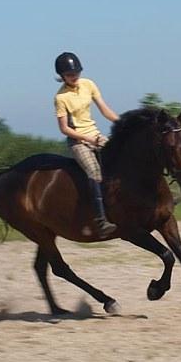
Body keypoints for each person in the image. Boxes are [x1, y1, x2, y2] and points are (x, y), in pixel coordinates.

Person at [54, 52, 119, 237]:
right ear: (62, 76)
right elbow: (64, 129)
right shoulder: (60, 98)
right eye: (69, 75)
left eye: (76, 73)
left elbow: (105, 110)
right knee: (94, 172)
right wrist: (89, 140)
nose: (74, 77)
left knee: (124, 157)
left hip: (96, 134)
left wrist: (124, 123)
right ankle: (101, 220)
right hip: (78, 141)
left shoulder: (88, 84)